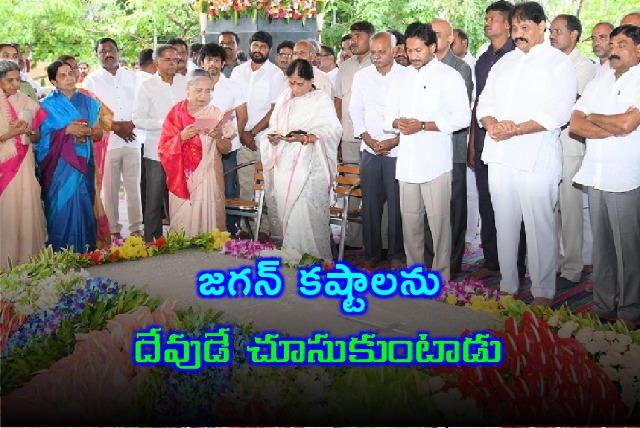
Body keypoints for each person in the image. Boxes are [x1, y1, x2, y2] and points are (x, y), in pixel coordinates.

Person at [476, 1, 577, 306]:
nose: (519, 34)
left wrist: (516, 129)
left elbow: (558, 112)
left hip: (536, 157)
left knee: (539, 227)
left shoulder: (558, 63)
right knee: (504, 223)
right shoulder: (503, 63)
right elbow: (484, 105)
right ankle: (508, 284)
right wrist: (493, 125)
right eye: (516, 28)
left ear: (542, 26)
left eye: (525, 28)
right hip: (500, 154)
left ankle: (543, 292)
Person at [385, 22, 471, 280]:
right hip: (408, 162)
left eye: (419, 50)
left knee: (439, 224)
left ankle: (442, 276)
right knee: (410, 223)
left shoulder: (450, 76)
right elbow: (387, 116)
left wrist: (424, 125)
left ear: (432, 47)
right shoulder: (400, 77)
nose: (413, 56)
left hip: (436, 163)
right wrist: (397, 123)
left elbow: (462, 118)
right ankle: (415, 274)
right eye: (409, 50)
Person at [570, 24, 640, 332]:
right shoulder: (600, 81)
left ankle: (630, 309)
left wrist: (595, 118)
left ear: (639, 50)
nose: (613, 49)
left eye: (622, 44)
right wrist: (609, 126)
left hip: (627, 176)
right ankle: (601, 306)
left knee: (629, 249)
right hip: (596, 174)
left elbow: (628, 123)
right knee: (602, 248)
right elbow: (575, 122)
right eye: (612, 44)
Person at [467, 0, 527, 281]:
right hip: (482, 141)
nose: (487, 23)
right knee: (487, 204)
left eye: (493, 19)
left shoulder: (520, 56)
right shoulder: (482, 59)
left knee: (513, 208)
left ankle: (515, 263)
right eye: (486, 18)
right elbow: (478, 105)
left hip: (511, 143)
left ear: (507, 24)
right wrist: (471, 142)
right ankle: (491, 260)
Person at [261, 59, 342, 260]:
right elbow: (274, 125)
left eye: (301, 84)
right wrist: (273, 137)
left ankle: (314, 257)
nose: (296, 89)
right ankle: (292, 254)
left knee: (305, 211)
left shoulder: (320, 99)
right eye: (292, 83)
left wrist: (307, 137)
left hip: (310, 167)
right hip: (285, 166)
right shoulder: (284, 99)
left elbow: (333, 129)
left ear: (311, 80)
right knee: (291, 215)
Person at [36, 60, 105, 252]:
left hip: (83, 163)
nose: (69, 78)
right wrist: (66, 130)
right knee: (61, 209)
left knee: (84, 204)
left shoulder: (89, 102)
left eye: (70, 73)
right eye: (62, 75)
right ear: (53, 81)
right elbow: (39, 140)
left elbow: (99, 133)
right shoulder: (45, 106)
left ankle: (86, 252)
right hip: (59, 167)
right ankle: (60, 253)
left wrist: (87, 131)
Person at [349, 32, 405, 270]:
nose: (377, 57)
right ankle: (371, 253)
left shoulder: (407, 76)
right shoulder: (362, 77)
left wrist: (393, 141)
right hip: (370, 150)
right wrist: (369, 140)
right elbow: (355, 109)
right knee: (370, 206)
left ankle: (395, 254)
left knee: (396, 206)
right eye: (373, 52)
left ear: (394, 50)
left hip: (398, 150)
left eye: (382, 52)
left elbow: (411, 112)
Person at [549, 14, 596, 288]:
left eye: (558, 31)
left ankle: (573, 268)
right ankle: (552, 263)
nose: (552, 35)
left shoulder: (583, 66)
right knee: (550, 207)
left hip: (570, 144)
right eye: (551, 31)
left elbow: (569, 104)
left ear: (574, 34)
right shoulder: (550, 64)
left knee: (570, 208)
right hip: (548, 145)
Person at [158, 69, 234, 236]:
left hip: (210, 175)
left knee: (210, 223)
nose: (203, 96)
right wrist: (182, 137)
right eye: (198, 91)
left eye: (208, 91)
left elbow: (226, 149)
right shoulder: (175, 114)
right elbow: (163, 148)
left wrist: (219, 137)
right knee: (183, 225)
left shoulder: (216, 114)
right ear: (188, 89)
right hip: (183, 176)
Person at [83, 37, 143, 240]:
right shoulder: (91, 80)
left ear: (118, 51)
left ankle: (136, 228)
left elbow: (141, 106)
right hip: (106, 142)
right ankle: (113, 230)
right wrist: (116, 127)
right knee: (108, 189)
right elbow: (93, 111)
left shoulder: (133, 77)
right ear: (97, 55)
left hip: (133, 138)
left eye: (111, 50)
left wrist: (130, 125)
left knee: (133, 186)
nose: (108, 54)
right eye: (103, 51)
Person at [430, 18, 474, 275]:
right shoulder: (420, 67)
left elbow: (455, 112)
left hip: (452, 148)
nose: (433, 37)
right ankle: (428, 261)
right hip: (427, 151)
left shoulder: (460, 68)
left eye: (438, 34)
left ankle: (452, 263)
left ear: (450, 40)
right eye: (430, 33)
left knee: (454, 209)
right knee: (429, 211)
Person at [132, 44, 188, 242]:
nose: (173, 63)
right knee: (154, 199)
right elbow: (138, 119)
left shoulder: (185, 83)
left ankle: (183, 237)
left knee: (183, 197)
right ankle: (152, 242)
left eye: (175, 59)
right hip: (157, 151)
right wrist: (164, 124)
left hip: (184, 150)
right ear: (156, 62)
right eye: (167, 60)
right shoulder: (147, 86)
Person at [230, 31, 286, 213]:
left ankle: (265, 229)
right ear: (250, 47)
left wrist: (251, 133)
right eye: (255, 45)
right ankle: (246, 228)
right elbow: (232, 104)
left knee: (266, 186)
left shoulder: (275, 74)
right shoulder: (238, 71)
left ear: (269, 50)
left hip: (264, 138)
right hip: (240, 138)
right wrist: (241, 133)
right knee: (245, 185)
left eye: (262, 47)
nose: (258, 50)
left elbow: (274, 110)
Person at [0, 60, 47, 269]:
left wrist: (28, 131)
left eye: (17, 79)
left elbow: (37, 137)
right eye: (10, 80)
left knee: (26, 205)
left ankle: (26, 262)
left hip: (24, 162)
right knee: (7, 209)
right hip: (5, 167)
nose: (15, 85)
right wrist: (13, 133)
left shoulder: (26, 101)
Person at [198, 43, 248, 235]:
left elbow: (242, 116)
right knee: (204, 188)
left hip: (227, 146)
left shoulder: (233, 86)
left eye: (217, 60)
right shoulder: (195, 86)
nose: (213, 64)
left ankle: (229, 229)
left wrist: (229, 134)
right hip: (201, 147)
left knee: (228, 188)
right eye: (209, 59)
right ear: (202, 62)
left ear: (222, 63)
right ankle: (205, 227)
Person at [335, 21, 375, 249]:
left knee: (372, 188)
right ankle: (352, 240)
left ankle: (375, 239)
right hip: (349, 136)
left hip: (372, 139)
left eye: (358, 36)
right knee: (350, 188)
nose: (353, 40)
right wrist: (339, 134)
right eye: (352, 36)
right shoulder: (345, 67)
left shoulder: (378, 64)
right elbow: (338, 101)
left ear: (370, 38)